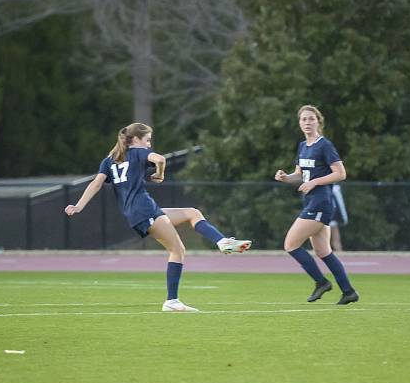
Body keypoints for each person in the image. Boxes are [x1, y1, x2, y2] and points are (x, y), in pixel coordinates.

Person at [64, 122, 251, 312]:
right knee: (177, 249)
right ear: (136, 139)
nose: (148, 144)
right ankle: (172, 301)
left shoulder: (109, 160)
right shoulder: (137, 152)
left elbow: (96, 185)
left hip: (139, 211)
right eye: (147, 140)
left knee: (192, 213)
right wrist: (159, 174)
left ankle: (223, 242)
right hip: (144, 210)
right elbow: (160, 159)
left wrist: (79, 205)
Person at [274, 105, 359, 305]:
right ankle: (348, 292)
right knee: (323, 252)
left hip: (322, 203)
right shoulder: (303, 146)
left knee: (290, 244)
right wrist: (286, 178)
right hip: (311, 202)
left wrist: (315, 182)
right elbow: (300, 175)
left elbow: (340, 173)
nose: (307, 123)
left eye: (311, 119)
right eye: (303, 119)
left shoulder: (325, 145)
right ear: (299, 123)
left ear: (318, 122)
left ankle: (321, 282)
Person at [329, 183, 348, 252]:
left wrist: (343, 219)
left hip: (331, 218)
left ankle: (339, 253)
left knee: (335, 240)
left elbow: (339, 206)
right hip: (321, 217)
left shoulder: (334, 189)